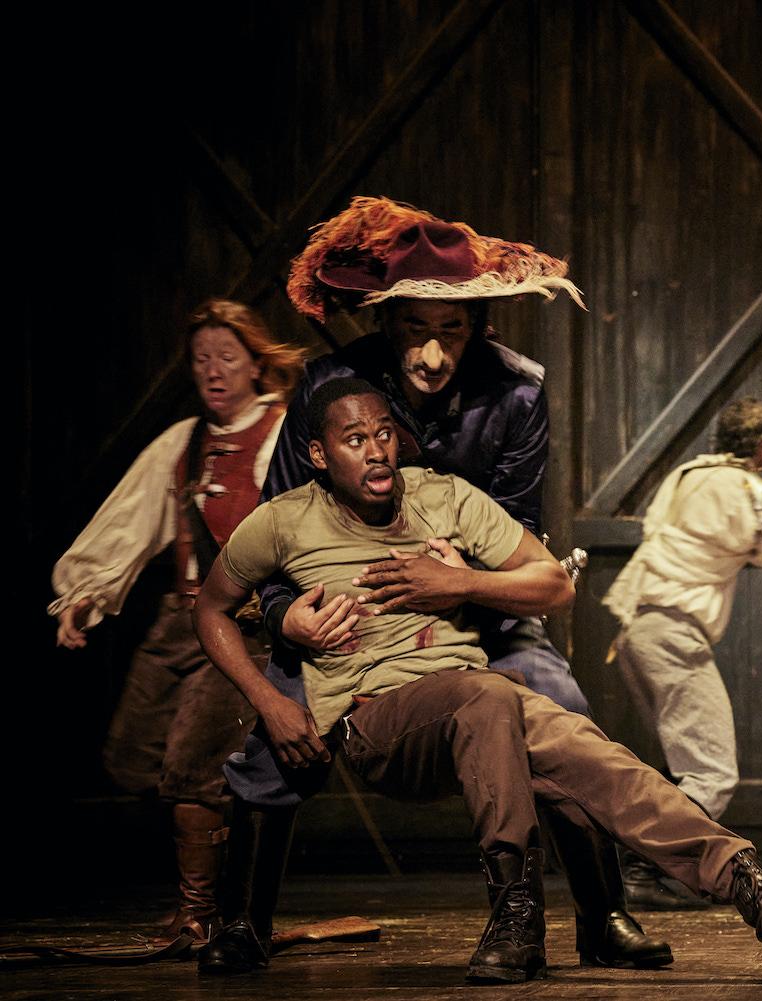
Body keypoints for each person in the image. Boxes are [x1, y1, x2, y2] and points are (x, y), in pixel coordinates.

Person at [192, 378, 762, 983]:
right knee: (494, 693)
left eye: (384, 434)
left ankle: (757, 890)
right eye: (355, 440)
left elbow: (552, 582)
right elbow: (211, 607)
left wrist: (463, 582)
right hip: (380, 720)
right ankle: (515, 912)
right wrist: (268, 697)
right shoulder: (284, 519)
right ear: (318, 453)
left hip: (477, 707)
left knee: (592, 754)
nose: (376, 450)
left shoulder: (444, 497)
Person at [209, 196, 669, 971]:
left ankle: (602, 913)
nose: (432, 353)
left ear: (479, 327)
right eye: (415, 329)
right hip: (346, 613)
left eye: (450, 330)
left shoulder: (518, 391)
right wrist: (290, 622)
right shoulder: (331, 387)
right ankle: (238, 921)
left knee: (563, 706)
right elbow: (278, 532)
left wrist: (458, 585)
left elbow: (519, 539)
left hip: (477, 605)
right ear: (388, 326)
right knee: (275, 734)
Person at [48, 299, 304, 942]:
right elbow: (129, 522)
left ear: (253, 362)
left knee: (193, 769)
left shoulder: (282, 432)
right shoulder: (183, 443)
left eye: (226, 356)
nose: (213, 370)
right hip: (177, 622)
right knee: (131, 761)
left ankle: (200, 913)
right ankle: (224, 863)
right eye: (201, 359)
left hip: (244, 624)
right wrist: (84, 593)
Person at [603, 398, 762, 906]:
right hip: (672, 634)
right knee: (712, 771)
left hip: (641, 630)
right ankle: (637, 868)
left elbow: (739, 532)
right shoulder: (747, 486)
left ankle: (648, 870)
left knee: (687, 766)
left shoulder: (689, 476)